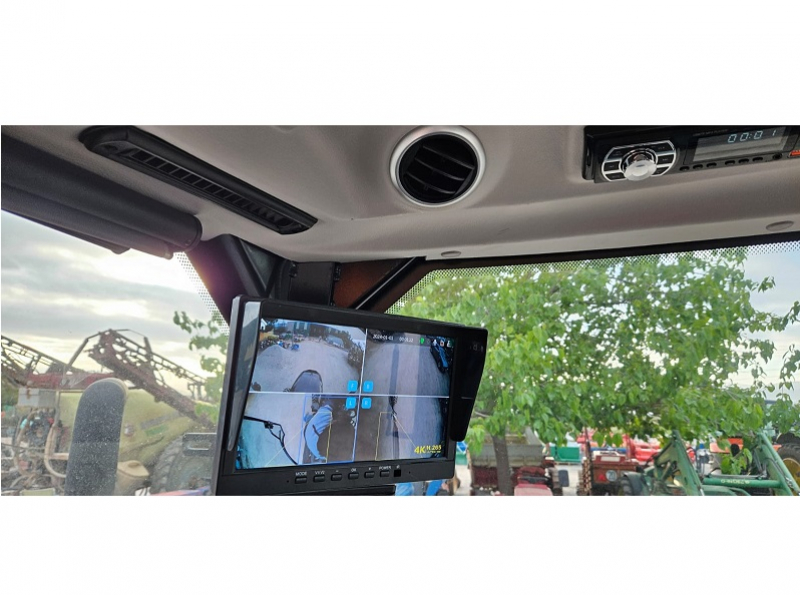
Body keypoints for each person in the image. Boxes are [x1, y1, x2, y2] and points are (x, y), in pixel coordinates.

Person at [303, 397, 333, 464]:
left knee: (331, 401)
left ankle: (316, 405)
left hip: (312, 432)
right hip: (310, 436)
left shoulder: (325, 415)